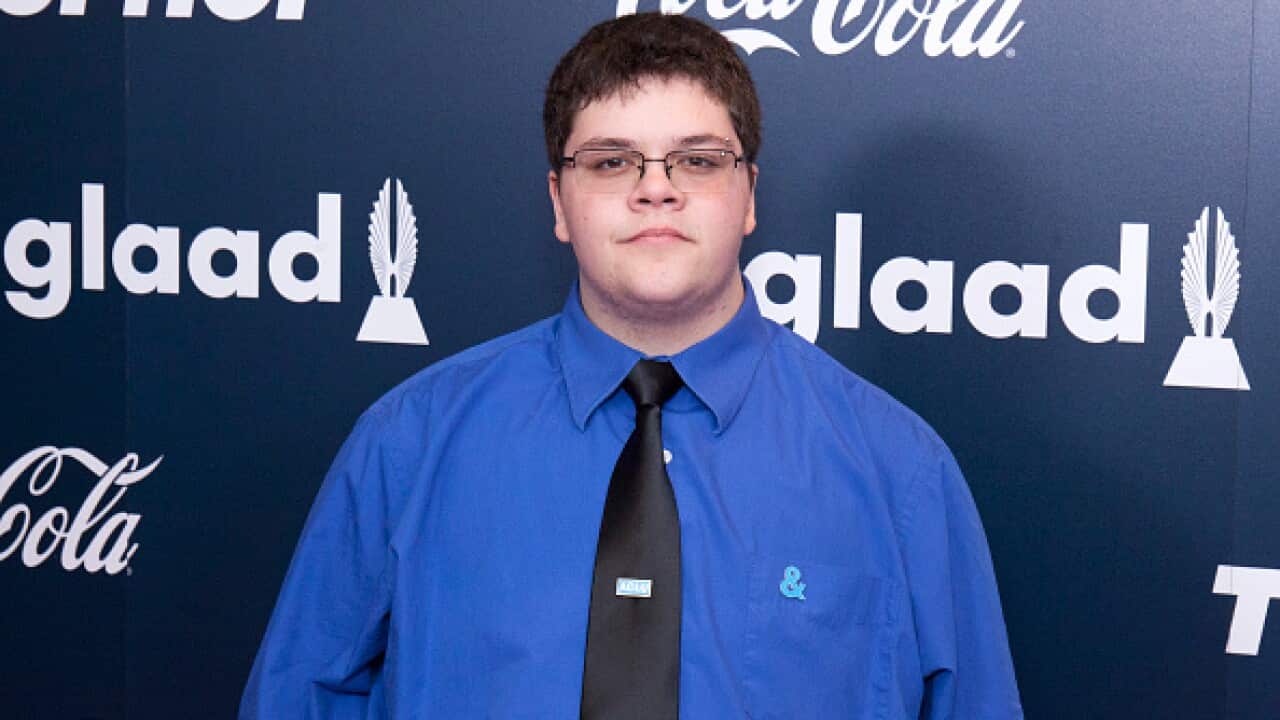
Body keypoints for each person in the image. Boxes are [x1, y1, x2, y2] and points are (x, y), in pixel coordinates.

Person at [240, 12, 1023, 719]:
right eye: (612, 162)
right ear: (559, 201)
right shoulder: (407, 446)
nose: (656, 190)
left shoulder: (900, 474)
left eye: (698, 160)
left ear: (749, 195)